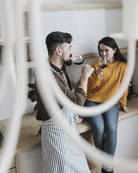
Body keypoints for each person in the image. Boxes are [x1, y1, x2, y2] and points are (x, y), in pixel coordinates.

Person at [35, 31, 94, 173]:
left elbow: (66, 97)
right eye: (69, 48)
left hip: (67, 128)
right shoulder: (47, 76)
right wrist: (84, 77)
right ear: (58, 51)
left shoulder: (58, 68)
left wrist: (73, 117)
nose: (71, 52)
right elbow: (76, 101)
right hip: (57, 135)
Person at [85, 36, 128, 173]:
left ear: (114, 50)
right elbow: (90, 90)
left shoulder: (122, 66)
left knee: (112, 129)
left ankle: (106, 167)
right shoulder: (95, 65)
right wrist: (97, 76)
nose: (103, 54)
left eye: (106, 50)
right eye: (101, 51)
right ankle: (108, 168)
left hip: (110, 103)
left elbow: (124, 86)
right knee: (99, 129)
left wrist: (123, 103)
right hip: (92, 101)